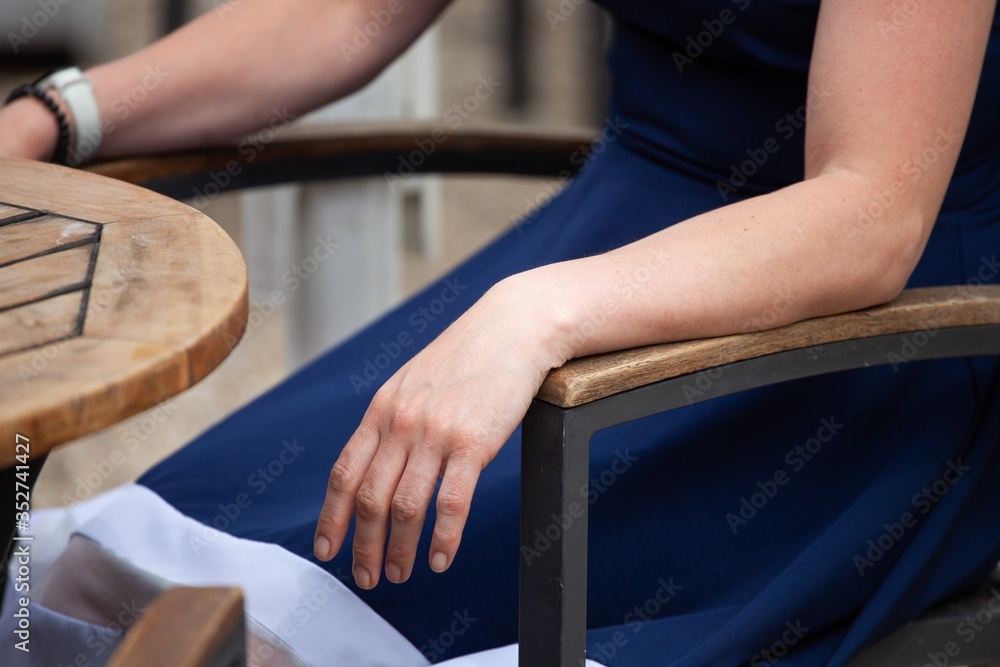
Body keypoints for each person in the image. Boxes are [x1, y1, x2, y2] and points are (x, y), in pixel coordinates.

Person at [2, 0, 999, 665]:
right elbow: (342, 17)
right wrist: (52, 118)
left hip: (849, 322)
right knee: (121, 579)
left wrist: (534, 314)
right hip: (602, 231)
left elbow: (869, 213)